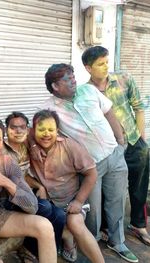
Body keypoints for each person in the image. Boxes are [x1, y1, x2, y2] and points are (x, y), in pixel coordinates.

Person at [37, 63, 138, 262]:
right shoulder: (47, 108)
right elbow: (39, 132)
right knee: (92, 208)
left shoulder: (89, 90)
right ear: (55, 86)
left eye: (73, 75)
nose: (74, 80)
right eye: (67, 78)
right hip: (90, 165)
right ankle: (92, 241)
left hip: (114, 154)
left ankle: (117, 242)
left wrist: (120, 140)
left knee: (117, 200)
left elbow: (109, 111)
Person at [0, 112, 66, 260]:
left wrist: (5, 182)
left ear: (2, 141)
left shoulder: (8, 162)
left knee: (45, 226)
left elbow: (32, 206)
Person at [82, 46, 150, 247]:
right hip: (108, 148)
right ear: (88, 68)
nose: (105, 67)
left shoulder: (123, 79)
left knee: (139, 186)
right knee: (109, 190)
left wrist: (140, 139)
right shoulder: (86, 91)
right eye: (100, 64)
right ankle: (106, 228)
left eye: (106, 62)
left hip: (132, 141)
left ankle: (138, 225)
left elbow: (138, 107)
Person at [28, 109, 104, 263]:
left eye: (51, 130)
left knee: (75, 223)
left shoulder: (70, 146)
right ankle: (67, 238)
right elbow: (22, 135)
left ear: (58, 130)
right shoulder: (30, 145)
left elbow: (92, 174)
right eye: (41, 130)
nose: (46, 134)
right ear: (33, 131)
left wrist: (79, 201)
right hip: (48, 203)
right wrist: (33, 145)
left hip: (70, 202)